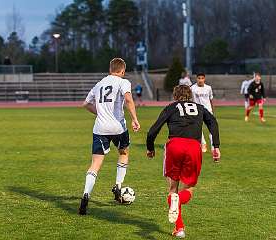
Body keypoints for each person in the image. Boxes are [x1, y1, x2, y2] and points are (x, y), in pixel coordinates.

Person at [146, 85, 220, 238]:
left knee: (173, 189)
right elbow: (213, 123)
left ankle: (180, 229)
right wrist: (216, 146)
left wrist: (150, 148)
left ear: (175, 96)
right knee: (189, 188)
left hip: (174, 146)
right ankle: (179, 212)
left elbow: (153, 129)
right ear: (190, 96)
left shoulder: (171, 107)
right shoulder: (200, 108)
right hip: (194, 147)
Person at [79, 58, 140, 215]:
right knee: (124, 153)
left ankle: (86, 194)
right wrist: (134, 119)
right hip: (118, 127)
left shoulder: (99, 84)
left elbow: (85, 103)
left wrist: (100, 113)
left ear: (110, 69)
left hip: (100, 128)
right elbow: (128, 99)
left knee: (95, 164)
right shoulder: (123, 82)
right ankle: (118, 186)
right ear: (122, 71)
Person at [190, 73, 215, 157]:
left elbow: (210, 99)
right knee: (198, 128)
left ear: (204, 79)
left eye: (202, 78)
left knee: (212, 129)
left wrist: (212, 110)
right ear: (196, 79)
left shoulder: (208, 88)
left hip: (208, 111)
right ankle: (203, 143)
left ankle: (213, 146)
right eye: (199, 78)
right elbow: (190, 100)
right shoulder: (192, 88)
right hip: (197, 111)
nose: (200, 80)